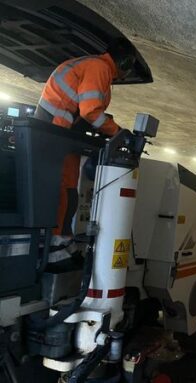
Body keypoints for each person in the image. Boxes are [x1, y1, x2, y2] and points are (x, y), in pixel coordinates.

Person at [34, 37, 136, 262]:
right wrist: (119, 133)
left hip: (63, 131)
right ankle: (53, 247)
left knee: (70, 187)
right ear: (125, 63)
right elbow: (90, 112)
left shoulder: (95, 67)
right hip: (56, 128)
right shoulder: (99, 68)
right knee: (61, 187)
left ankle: (63, 239)